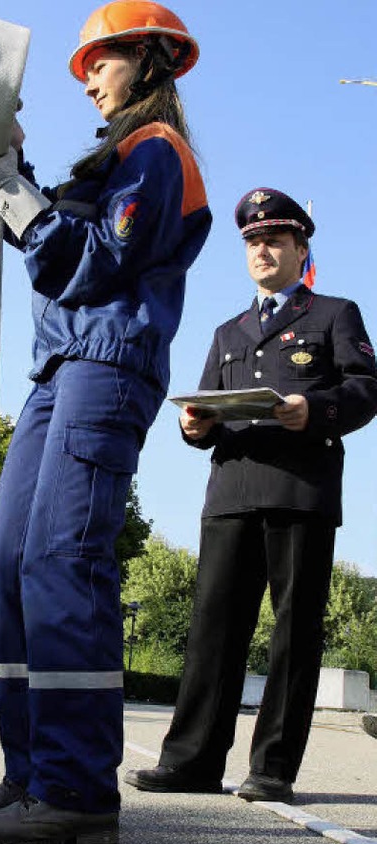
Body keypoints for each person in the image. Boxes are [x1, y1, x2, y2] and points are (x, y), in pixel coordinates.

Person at [0, 1, 211, 844]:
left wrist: (17, 193)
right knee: (4, 562)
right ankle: (34, 771)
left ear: (150, 60)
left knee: (63, 556)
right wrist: (9, 156)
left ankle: (78, 790)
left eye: (101, 60)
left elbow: (95, 262)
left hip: (108, 364)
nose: (89, 77)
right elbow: (58, 241)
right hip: (59, 370)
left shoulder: (155, 153)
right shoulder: (111, 158)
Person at [125, 187, 377, 804]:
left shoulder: (334, 313)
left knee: (293, 633)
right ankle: (192, 762)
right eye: (253, 242)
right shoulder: (227, 331)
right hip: (232, 489)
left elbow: (367, 388)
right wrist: (193, 426)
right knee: (214, 628)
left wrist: (313, 408)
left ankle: (272, 770)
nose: (262, 249)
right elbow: (205, 409)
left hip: (300, 490)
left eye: (274, 239)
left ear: (300, 248)